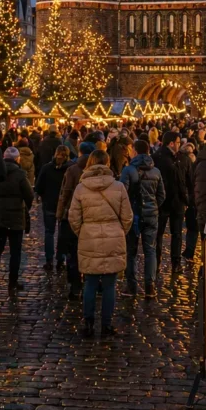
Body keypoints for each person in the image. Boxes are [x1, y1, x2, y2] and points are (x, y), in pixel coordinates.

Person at [68, 149, 133, 338]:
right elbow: (127, 216)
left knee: (90, 282)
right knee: (110, 285)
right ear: (107, 164)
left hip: (89, 236)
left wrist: (84, 232)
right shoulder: (118, 187)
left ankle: (88, 323)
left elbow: (73, 217)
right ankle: (106, 324)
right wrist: (119, 231)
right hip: (114, 237)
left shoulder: (81, 188)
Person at [119, 140, 165, 298]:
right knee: (150, 250)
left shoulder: (128, 170)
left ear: (135, 151)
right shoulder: (156, 171)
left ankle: (131, 286)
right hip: (151, 214)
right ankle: (150, 287)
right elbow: (161, 195)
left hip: (134, 214)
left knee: (131, 251)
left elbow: (122, 193)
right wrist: (153, 207)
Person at [0, 147, 34, 295]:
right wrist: (24, 206)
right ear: (17, 159)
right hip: (16, 217)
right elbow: (29, 195)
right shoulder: (20, 174)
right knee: (15, 252)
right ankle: (12, 282)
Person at [57, 141, 94, 300]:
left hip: (72, 215)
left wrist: (60, 212)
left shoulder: (72, 170)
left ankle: (75, 286)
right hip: (91, 215)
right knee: (91, 251)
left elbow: (64, 193)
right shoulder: (96, 171)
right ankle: (90, 281)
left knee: (73, 252)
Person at [154, 131, 187, 276]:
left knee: (169, 234)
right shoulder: (161, 158)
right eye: (178, 142)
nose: (180, 145)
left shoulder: (179, 158)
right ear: (171, 143)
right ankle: (171, 263)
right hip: (167, 201)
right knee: (170, 233)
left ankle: (164, 263)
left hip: (173, 201)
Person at [35, 145, 72, 270]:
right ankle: (61, 259)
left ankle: (49, 260)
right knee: (63, 233)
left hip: (50, 204)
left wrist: (42, 196)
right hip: (65, 205)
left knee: (49, 232)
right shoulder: (70, 169)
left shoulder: (46, 168)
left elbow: (39, 186)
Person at [179, 142, 199, 261]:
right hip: (192, 202)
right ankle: (189, 251)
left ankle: (190, 251)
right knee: (193, 228)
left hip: (194, 202)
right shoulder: (191, 168)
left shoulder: (197, 169)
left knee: (193, 228)